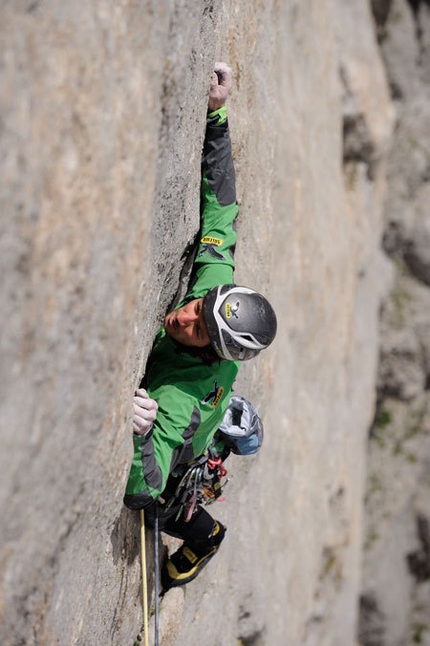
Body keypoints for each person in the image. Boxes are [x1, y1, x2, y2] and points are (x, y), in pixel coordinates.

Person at [123, 63, 277, 589]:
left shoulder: (180, 400)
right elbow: (221, 217)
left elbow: (144, 490)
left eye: (197, 329)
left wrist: (142, 431)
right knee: (208, 530)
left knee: (208, 536)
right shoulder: (210, 301)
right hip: (199, 440)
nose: (183, 316)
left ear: (214, 353)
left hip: (173, 477)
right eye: (200, 306)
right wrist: (218, 114)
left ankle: (166, 584)